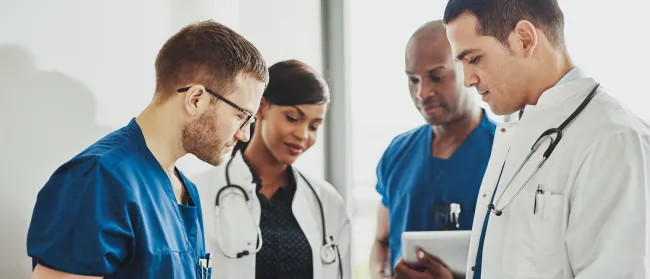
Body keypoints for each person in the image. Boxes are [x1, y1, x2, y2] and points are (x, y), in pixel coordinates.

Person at [397, 0, 650, 278]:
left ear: (524, 39)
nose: (467, 79)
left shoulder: (614, 140)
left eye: (474, 59)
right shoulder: (513, 126)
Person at [26, 20, 269, 279]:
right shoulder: (98, 178)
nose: (244, 134)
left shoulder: (187, 191)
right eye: (242, 116)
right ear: (195, 99)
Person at [191, 59, 351, 279]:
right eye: (293, 118)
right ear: (262, 107)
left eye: (314, 126)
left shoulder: (327, 201)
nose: (303, 135)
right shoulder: (198, 192)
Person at [369, 20, 496, 279]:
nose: (422, 92)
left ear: (469, 70)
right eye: (413, 80)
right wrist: (381, 274)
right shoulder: (397, 153)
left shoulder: (506, 154)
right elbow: (381, 242)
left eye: (437, 77)